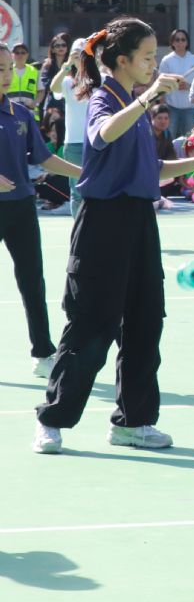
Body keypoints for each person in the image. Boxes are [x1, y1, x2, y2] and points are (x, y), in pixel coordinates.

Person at [32, 19, 194, 457]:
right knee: (92, 324)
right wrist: (149, 96)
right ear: (122, 61)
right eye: (146, 57)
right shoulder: (104, 99)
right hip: (103, 224)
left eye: (155, 56)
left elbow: (151, 171)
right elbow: (103, 134)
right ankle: (52, 419)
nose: (153, 64)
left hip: (140, 221)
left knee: (145, 322)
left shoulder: (136, 110)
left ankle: (133, 421)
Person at [0, 47, 81, 377]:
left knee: (32, 280)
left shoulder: (21, 114)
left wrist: (84, 173)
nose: (6, 75)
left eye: (8, 68)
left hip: (21, 207)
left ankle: (43, 352)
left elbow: (44, 158)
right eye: (0, 69)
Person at [47, 38, 90, 215]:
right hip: (73, 143)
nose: (79, 57)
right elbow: (53, 87)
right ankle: (78, 227)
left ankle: (94, 226)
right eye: (76, 53)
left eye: (83, 53)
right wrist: (67, 65)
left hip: (97, 141)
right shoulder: (67, 81)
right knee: (77, 191)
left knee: (97, 188)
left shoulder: (101, 79)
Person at [158, 30, 194, 138]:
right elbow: (161, 83)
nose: (180, 42)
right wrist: (162, 106)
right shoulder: (166, 60)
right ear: (172, 42)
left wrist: (189, 86)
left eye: (183, 39)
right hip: (171, 107)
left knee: (190, 141)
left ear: (187, 42)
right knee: (168, 139)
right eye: (177, 40)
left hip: (190, 108)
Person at [37, 35, 69, 118]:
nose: (61, 48)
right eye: (57, 46)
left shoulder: (71, 65)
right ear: (53, 49)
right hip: (52, 105)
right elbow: (46, 85)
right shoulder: (47, 65)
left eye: (63, 45)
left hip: (68, 104)